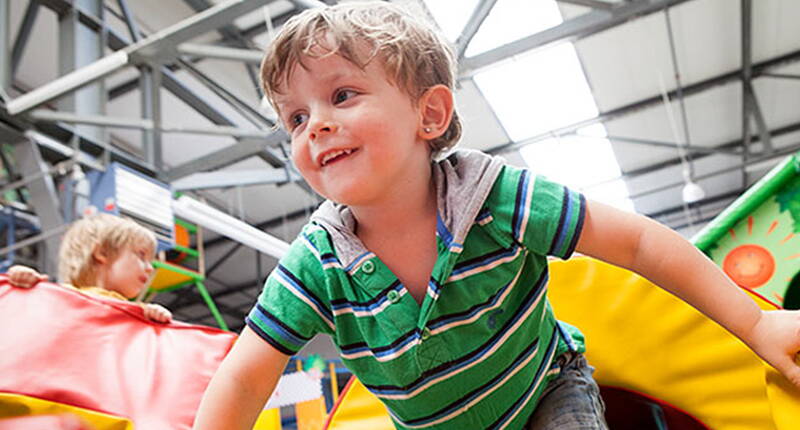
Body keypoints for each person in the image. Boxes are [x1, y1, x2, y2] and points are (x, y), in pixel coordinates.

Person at [193, 3, 800, 429]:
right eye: (296, 118)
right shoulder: (317, 264)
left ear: (428, 116)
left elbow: (638, 246)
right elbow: (245, 379)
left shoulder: (497, 199)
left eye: (343, 95)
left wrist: (757, 325)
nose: (316, 125)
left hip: (546, 394)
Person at [7, 213, 171, 323]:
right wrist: (22, 282)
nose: (149, 268)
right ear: (102, 253)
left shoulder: (140, 313)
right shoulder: (60, 298)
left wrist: (156, 317)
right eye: (141, 255)